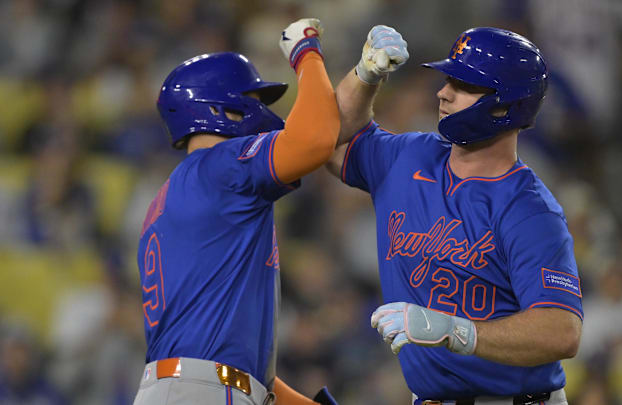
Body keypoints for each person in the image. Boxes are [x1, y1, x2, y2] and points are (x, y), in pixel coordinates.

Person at [327, 26, 583, 404]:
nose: (443, 93)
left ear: (504, 104)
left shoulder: (530, 209)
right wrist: (367, 74)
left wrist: (454, 331)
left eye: (463, 85)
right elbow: (330, 139)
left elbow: (561, 331)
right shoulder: (410, 156)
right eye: (448, 79)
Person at [133, 18, 339, 405]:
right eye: (254, 99)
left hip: (181, 388)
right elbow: (315, 140)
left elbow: (233, 363)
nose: (262, 111)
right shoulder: (221, 167)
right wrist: (305, 52)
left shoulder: (169, 198)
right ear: (221, 108)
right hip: (204, 392)